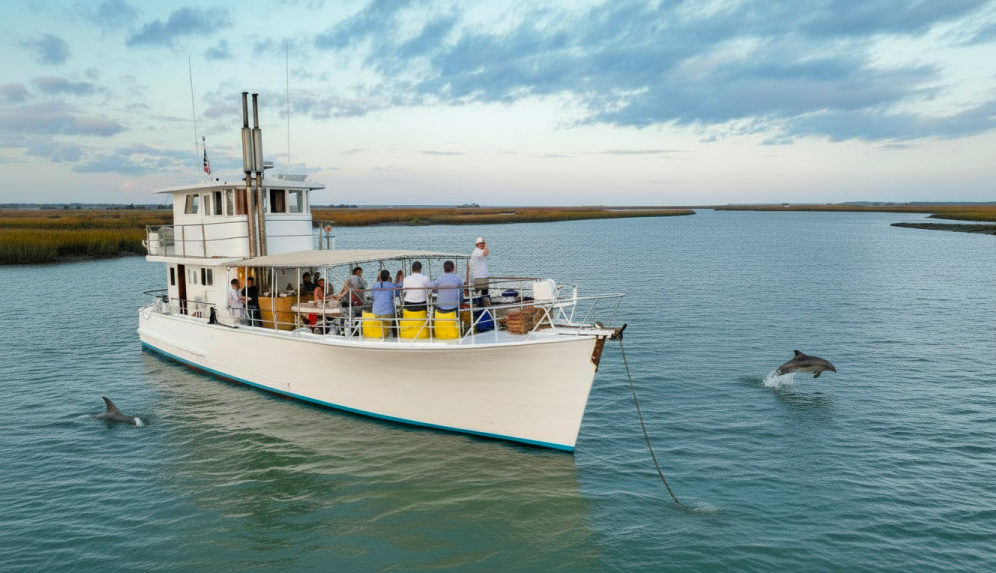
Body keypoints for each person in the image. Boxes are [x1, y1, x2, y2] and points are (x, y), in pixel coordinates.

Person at [371, 269, 399, 337]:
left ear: (380, 276)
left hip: (376, 313)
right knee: (396, 317)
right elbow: (397, 294)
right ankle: (394, 335)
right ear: (388, 277)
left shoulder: (374, 285)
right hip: (388, 313)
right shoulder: (391, 286)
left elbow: (373, 295)